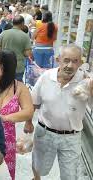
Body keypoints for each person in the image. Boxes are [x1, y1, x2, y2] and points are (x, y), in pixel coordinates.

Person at [31, 44, 91, 180]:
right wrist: (28, 123)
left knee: (70, 175)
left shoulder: (85, 82)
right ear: (58, 59)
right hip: (45, 132)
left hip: (71, 137)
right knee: (38, 166)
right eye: (66, 60)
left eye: (75, 61)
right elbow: (34, 101)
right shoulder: (47, 77)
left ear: (81, 63)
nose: (70, 65)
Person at [0, 50, 34, 180]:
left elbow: (28, 111)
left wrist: (5, 118)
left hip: (7, 140)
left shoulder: (18, 87)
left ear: (8, 67)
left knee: (5, 173)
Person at [0, 15, 32, 81]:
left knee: (4, 85)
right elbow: (28, 53)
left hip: (5, 65)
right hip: (18, 67)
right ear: (22, 24)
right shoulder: (25, 36)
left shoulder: (4, 33)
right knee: (17, 87)